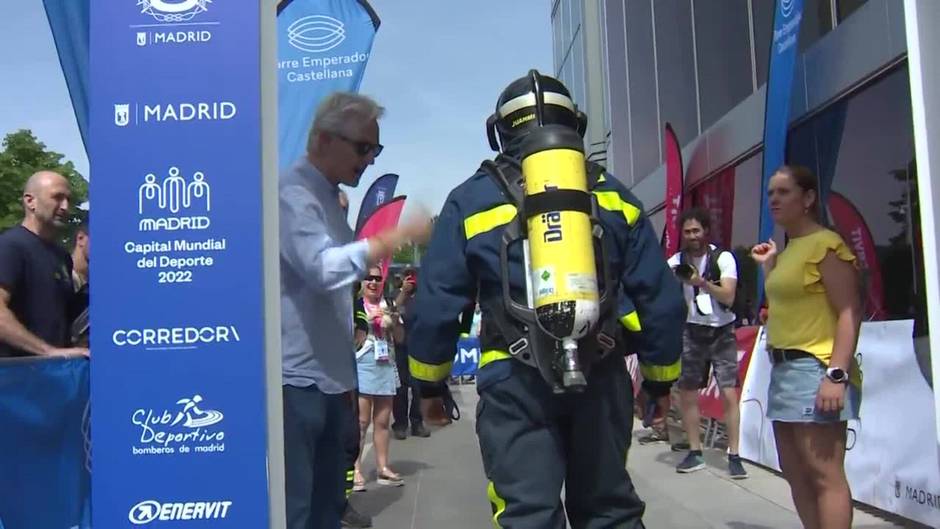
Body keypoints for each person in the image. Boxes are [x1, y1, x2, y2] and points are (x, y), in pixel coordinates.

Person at [406, 71, 684, 528]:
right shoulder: (615, 195)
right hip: (601, 371)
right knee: (610, 510)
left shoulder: (469, 200)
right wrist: (658, 385)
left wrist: (430, 388)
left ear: (500, 130)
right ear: (575, 124)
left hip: (513, 379)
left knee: (527, 514)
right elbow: (662, 301)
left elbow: (437, 303)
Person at [279, 92, 430, 529]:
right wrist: (391, 239)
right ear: (324, 138)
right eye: (363, 147)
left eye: (375, 150)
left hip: (327, 380)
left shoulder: (327, 197)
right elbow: (323, 269)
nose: (369, 160)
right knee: (299, 510)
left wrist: (345, 376)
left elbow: (336, 297)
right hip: (296, 381)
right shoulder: (292, 193)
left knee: (327, 506)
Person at [751, 165, 861, 529]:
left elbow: (849, 312)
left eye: (783, 192)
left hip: (815, 367)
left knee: (824, 475)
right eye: (770, 194)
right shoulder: (789, 250)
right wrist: (769, 268)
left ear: (809, 198)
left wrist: (837, 374)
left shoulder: (827, 245)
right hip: (783, 370)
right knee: (796, 474)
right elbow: (788, 306)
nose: (774, 200)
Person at [667, 208, 747, 479]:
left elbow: (728, 295)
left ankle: (734, 454)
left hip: (722, 330)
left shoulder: (722, 258)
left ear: (706, 231)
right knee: (688, 393)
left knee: (728, 392)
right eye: (687, 232)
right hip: (691, 331)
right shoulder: (675, 261)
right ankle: (695, 451)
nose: (692, 236)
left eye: (696, 231)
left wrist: (700, 282)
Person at [0, 171, 88, 358]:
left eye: (68, 200)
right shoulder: (11, 247)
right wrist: (47, 351)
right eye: (57, 197)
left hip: (54, 376)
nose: (65, 207)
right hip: (16, 377)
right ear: (30, 201)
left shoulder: (61, 256)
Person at [353, 266, 405, 489]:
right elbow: (352, 338)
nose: (374, 283)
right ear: (362, 282)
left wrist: (393, 322)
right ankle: (354, 470)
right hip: (364, 362)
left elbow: (401, 338)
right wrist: (366, 320)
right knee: (361, 422)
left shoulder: (390, 304)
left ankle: (383, 467)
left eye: (377, 278)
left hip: (386, 363)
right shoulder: (356, 306)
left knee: (382, 421)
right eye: (369, 278)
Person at [391, 268, 430, 440]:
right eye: (407, 277)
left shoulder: (422, 298)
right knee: (400, 389)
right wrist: (403, 294)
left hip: (418, 348)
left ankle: (417, 423)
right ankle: (400, 424)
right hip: (399, 348)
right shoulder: (395, 295)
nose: (410, 281)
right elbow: (390, 313)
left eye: (413, 278)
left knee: (418, 388)